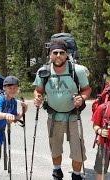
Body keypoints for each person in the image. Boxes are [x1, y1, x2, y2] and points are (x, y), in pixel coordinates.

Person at [33, 39, 92, 180]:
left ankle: (76, 175)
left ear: (67, 54)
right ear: (50, 55)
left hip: (73, 116)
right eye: (55, 52)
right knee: (55, 147)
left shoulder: (77, 70)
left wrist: (82, 98)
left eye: (62, 52)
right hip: (54, 117)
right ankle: (57, 171)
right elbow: (38, 90)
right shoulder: (43, 72)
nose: (58, 55)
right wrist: (37, 98)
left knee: (78, 150)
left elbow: (87, 89)